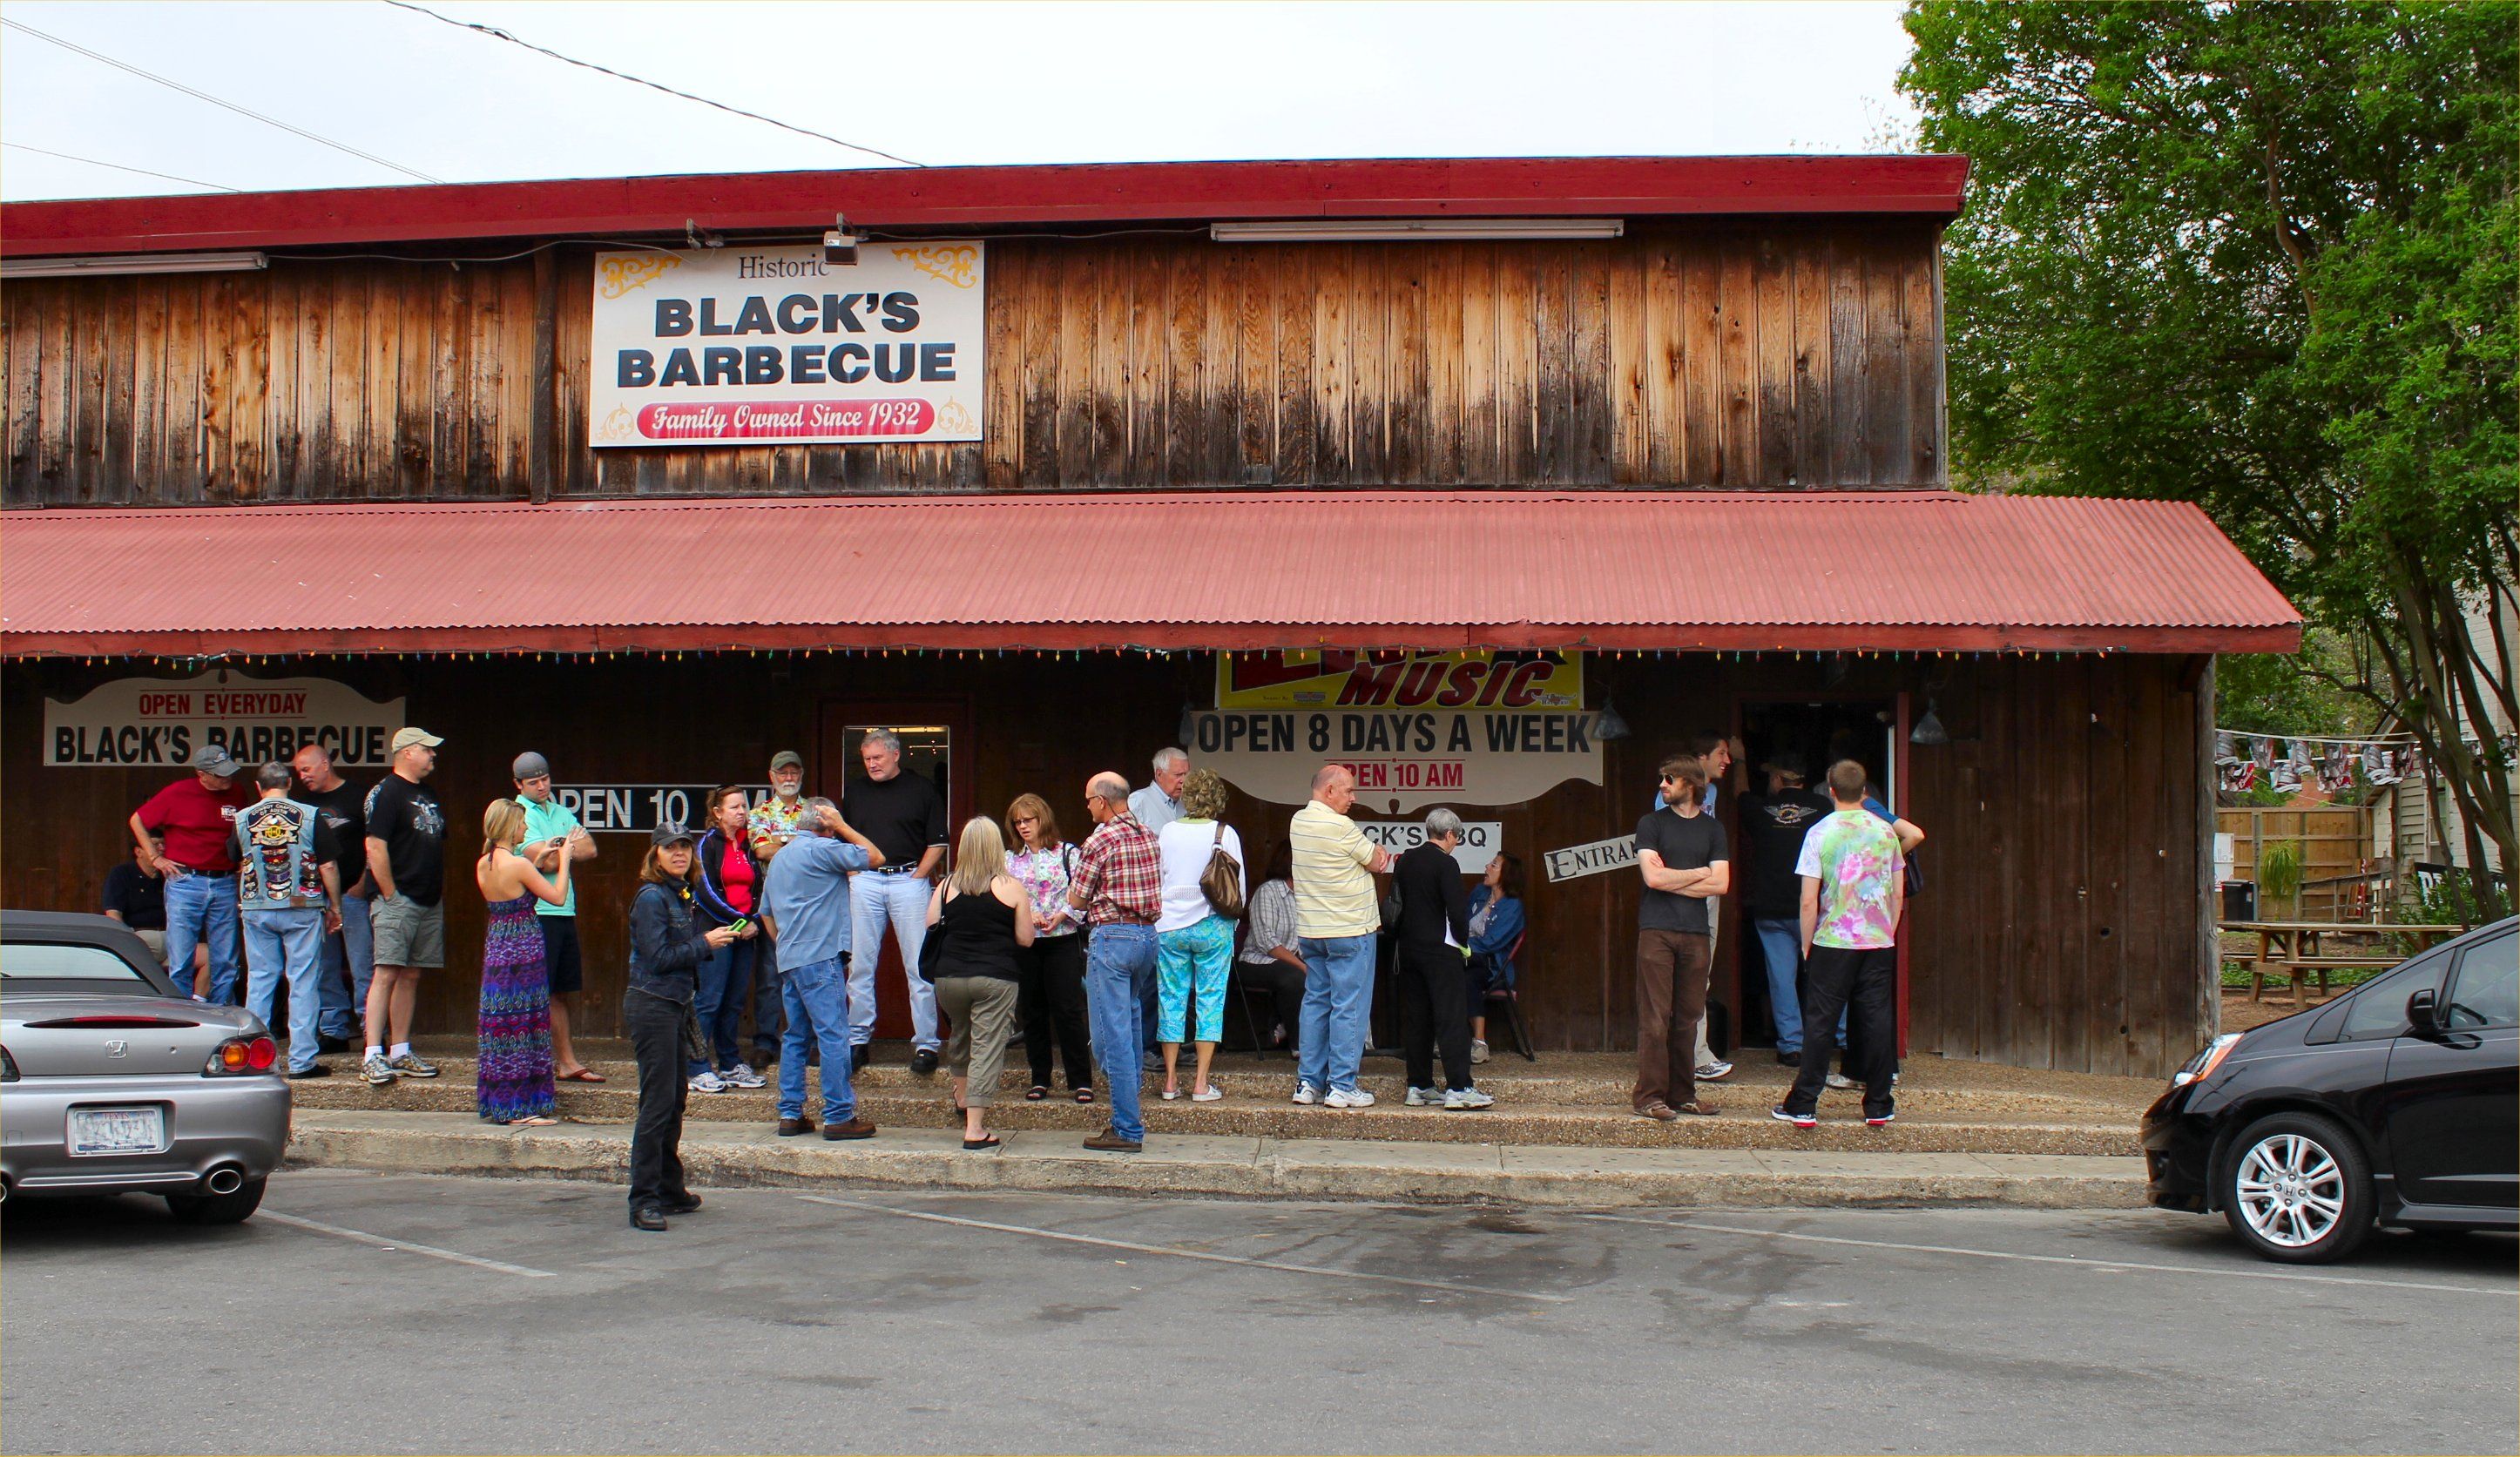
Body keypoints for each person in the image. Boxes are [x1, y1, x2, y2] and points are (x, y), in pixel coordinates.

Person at [1773, 759, 1905, 1130]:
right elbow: (1897, 893)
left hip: (1833, 939)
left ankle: (1804, 1103)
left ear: (1830, 790)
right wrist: (1887, 931)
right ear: (1866, 791)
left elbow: (1807, 900)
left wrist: (1806, 943)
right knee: (1876, 1020)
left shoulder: (1819, 832)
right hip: (1877, 941)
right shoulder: (1884, 833)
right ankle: (1879, 1103)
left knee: (1820, 1022)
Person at [624, 821, 737, 1231]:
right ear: (655, 854)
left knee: (674, 1099)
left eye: (685, 847)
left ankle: (669, 1188)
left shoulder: (680, 893)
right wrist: (705, 944)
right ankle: (643, 1200)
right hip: (652, 1004)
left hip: (674, 1003)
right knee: (656, 1104)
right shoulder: (653, 897)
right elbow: (657, 957)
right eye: (670, 848)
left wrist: (705, 942)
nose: (679, 854)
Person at [758, 799, 884, 1141]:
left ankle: (790, 1113)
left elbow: (766, 912)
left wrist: (785, 944)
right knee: (833, 1035)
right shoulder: (825, 848)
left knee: (796, 1036)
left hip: (790, 959)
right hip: (821, 956)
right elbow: (875, 857)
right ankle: (839, 1115)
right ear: (826, 824)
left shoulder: (781, 857)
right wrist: (843, 826)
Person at [842, 730, 950, 1072]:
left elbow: (939, 842)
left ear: (895, 755)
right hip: (865, 881)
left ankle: (926, 1045)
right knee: (860, 963)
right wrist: (852, 872)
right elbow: (842, 836)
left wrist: (918, 875)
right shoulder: (856, 791)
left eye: (877, 758)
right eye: (867, 759)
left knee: (918, 966)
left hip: (908, 880)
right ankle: (857, 1040)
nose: (872, 764)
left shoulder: (921, 790)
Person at [924, 816, 1035, 1150]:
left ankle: (961, 1096)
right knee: (986, 1047)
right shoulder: (1011, 886)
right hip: (995, 978)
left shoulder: (946, 885)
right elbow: (1026, 939)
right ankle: (975, 1128)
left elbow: (930, 925)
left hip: (949, 978)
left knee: (961, 1036)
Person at [1067, 771, 1162, 1152]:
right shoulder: (1148, 835)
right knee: (1132, 1022)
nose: (1087, 805)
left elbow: (1076, 899)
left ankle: (1127, 1126)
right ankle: (1128, 1110)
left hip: (1113, 937)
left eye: (1089, 799)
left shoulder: (1100, 840)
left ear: (1103, 801)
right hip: (1147, 938)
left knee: (1111, 1037)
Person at [1288, 764, 1392, 1109]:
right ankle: (1342, 1085)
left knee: (1316, 1003)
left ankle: (1308, 1083)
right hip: (1350, 929)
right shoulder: (1342, 827)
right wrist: (1370, 855)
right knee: (1349, 1006)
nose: (1353, 797)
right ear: (1329, 790)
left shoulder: (1298, 822)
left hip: (1313, 931)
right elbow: (1378, 862)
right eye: (1348, 790)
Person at [1632, 753, 1729, 1119]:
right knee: (1655, 1018)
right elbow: (1652, 879)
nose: (1662, 785)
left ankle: (1683, 1095)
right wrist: (1699, 873)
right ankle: (1649, 1098)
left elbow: (1721, 883)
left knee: (1688, 1018)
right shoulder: (1651, 824)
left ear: (1688, 784)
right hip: (1656, 929)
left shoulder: (1712, 828)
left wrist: (1677, 876)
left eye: (1668, 779)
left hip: (1695, 932)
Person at [233, 763, 342, 1079]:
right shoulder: (310, 815)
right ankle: (302, 1061)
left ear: (259, 787)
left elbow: (234, 857)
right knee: (304, 980)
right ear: (289, 783)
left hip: (257, 906)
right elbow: (329, 866)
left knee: (260, 980)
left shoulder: (243, 818)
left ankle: (254, 1060)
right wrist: (335, 906)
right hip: (302, 904)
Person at [475, 798, 575, 1128]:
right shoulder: (518, 865)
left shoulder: (484, 863)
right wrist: (565, 861)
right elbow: (557, 896)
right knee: (525, 1021)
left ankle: (498, 1101)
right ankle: (520, 1106)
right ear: (508, 827)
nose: (525, 828)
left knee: (501, 1021)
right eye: (520, 823)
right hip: (522, 946)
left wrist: (542, 856)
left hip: (498, 943)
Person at [128, 743, 254, 1002]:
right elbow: (137, 820)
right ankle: (181, 1018)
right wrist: (155, 857)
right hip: (185, 880)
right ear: (202, 774)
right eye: (220, 774)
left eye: (229, 771)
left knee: (226, 959)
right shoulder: (178, 793)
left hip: (224, 881)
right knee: (182, 958)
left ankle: (222, 1015)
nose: (227, 778)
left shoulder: (238, 793)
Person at [1734, 752, 1834, 1067]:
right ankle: (1834, 1041)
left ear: (1777, 779)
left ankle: (1791, 1046)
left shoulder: (1761, 809)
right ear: (1804, 779)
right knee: (1825, 977)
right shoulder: (1823, 808)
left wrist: (1739, 760)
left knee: (1781, 978)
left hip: (1772, 908)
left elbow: (1740, 795)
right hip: (1815, 906)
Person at [361, 728, 449, 1086]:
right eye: (428, 750)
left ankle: (400, 1050)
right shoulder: (386, 793)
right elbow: (374, 846)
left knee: (412, 974)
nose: (433, 756)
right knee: (386, 972)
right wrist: (390, 893)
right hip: (398, 898)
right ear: (408, 752)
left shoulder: (427, 793)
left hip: (428, 899)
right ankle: (371, 1055)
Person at [510, 752, 603, 1085]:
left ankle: (566, 1062)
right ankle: (531, 1063)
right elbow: (542, 861)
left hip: (564, 909)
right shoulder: (519, 813)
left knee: (559, 992)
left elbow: (590, 848)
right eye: (533, 782)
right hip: (537, 911)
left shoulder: (561, 810)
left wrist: (559, 849)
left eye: (545, 779)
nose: (541, 786)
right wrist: (566, 849)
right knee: (535, 991)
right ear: (519, 784)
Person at [1154, 769, 1243, 1103]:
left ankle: (1170, 1081)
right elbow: (1239, 889)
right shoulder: (1225, 832)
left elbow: (1158, 876)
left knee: (1171, 999)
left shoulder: (1168, 832)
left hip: (1170, 925)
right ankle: (1201, 1083)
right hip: (1213, 924)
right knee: (1209, 1001)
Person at [1394, 808, 1491, 1110]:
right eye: (1457, 838)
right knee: (1450, 1018)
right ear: (1449, 835)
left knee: (1418, 1019)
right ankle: (1459, 1087)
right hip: (1441, 951)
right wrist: (1463, 944)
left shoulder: (1406, 859)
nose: (1456, 843)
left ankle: (1419, 1085)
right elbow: (1457, 912)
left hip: (1409, 949)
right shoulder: (1447, 864)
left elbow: (1396, 901)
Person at [1006, 793, 1093, 1103]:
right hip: (1027, 942)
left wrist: (1063, 915)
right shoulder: (1009, 860)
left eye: (1028, 820)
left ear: (1042, 819)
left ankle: (1081, 1080)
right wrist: (1026, 914)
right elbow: (1003, 899)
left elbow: (1086, 893)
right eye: (1017, 822)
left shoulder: (1068, 853)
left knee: (1068, 1009)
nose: (1023, 827)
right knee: (1032, 1010)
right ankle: (1039, 1077)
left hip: (1063, 938)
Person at [293, 744, 372, 1053]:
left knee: (362, 964)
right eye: (299, 772)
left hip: (354, 893)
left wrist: (363, 883)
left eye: (306, 769)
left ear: (325, 764)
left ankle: (371, 1030)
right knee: (324, 967)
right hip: (316, 898)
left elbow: (375, 844)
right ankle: (334, 1030)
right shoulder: (302, 803)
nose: (302, 777)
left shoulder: (358, 796)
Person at [690, 785, 767, 1092]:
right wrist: (738, 922)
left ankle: (730, 1063)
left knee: (734, 1001)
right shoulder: (707, 844)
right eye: (734, 807)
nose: (742, 812)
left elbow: (760, 886)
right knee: (709, 999)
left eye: (744, 806)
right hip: (716, 931)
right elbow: (704, 890)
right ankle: (696, 1066)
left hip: (746, 932)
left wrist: (756, 920)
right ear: (717, 812)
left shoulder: (749, 845)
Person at [745, 749, 810, 1066]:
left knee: (808, 976)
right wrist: (797, 844)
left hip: (812, 906)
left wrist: (781, 843)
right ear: (771, 777)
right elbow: (762, 850)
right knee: (770, 976)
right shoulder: (759, 814)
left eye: (793, 772)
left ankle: (804, 1042)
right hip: (775, 904)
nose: (788, 778)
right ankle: (766, 1042)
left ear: (801, 775)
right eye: (782, 773)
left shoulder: (814, 811)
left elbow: (823, 848)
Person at [1233, 840, 1306, 1054]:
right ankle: (1299, 1046)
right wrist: (1302, 967)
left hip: (1292, 961)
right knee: (1295, 977)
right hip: (1256, 961)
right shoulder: (1268, 892)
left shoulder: (1307, 895)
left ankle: (1285, 1023)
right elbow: (1268, 942)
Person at [1465, 851, 1526, 1062]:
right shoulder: (1479, 892)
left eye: (1494, 865)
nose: (1487, 867)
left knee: (1468, 977)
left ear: (1506, 874)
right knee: (1442, 971)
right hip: (1464, 956)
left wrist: (1462, 947)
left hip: (1491, 964)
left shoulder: (1513, 906)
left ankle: (1479, 1044)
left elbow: (1493, 942)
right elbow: (1460, 923)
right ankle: (1444, 1036)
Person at [99, 842, 170, 961]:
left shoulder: (169, 874)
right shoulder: (122, 873)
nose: (161, 848)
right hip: (140, 938)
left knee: (208, 957)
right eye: (155, 844)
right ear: (138, 852)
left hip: (172, 938)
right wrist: (129, 939)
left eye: (163, 844)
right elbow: (113, 914)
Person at [1129, 747, 1190, 834]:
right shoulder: (1138, 801)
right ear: (1159, 774)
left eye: (1186, 775)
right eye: (1178, 775)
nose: (1184, 780)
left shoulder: (1187, 803)